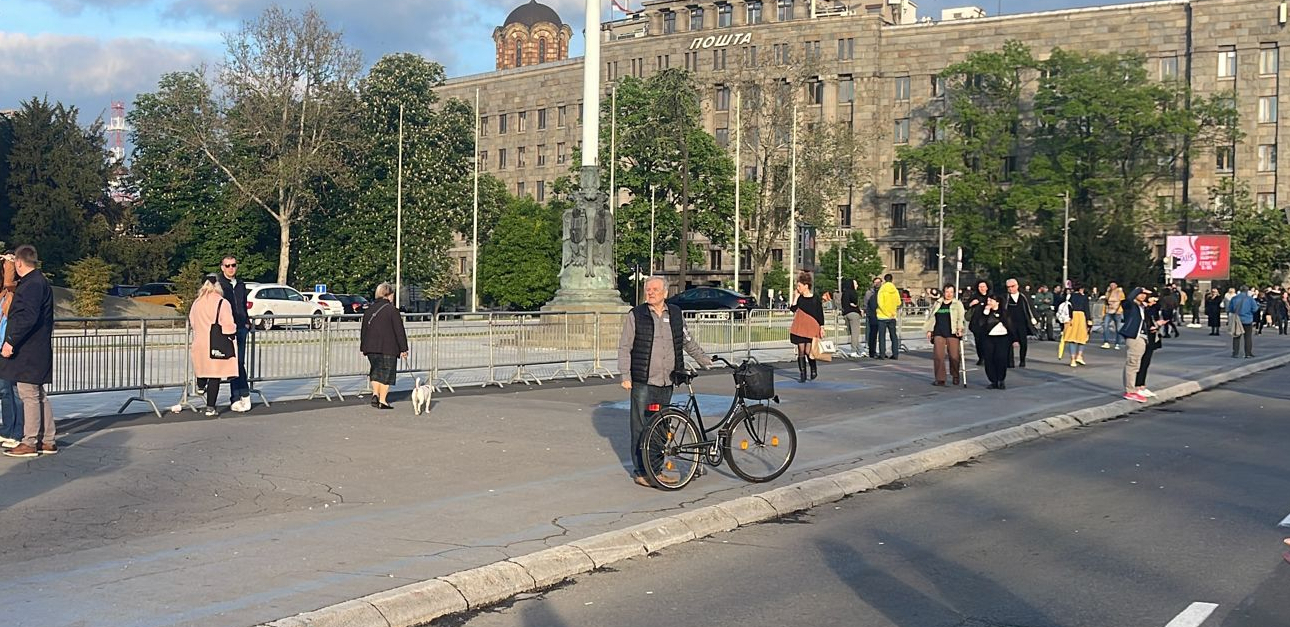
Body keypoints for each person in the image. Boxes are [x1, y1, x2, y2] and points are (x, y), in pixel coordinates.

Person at [618, 276, 711, 487]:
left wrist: (705, 360)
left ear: (665, 293)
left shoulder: (675, 314)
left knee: (661, 428)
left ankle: (656, 470)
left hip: (666, 381)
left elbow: (686, 341)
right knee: (641, 427)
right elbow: (625, 347)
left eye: (655, 289)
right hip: (643, 380)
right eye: (647, 289)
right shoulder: (637, 315)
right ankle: (642, 472)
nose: (650, 292)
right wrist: (625, 376)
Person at [0, 245, 57, 458]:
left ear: (19, 262)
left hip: (29, 349)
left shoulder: (32, 285)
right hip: (37, 347)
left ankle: (30, 441)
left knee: (29, 395)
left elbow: (27, 316)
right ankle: (47, 440)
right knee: (38, 395)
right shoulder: (37, 281)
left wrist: (11, 341)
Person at [189, 275, 240, 417]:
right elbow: (228, 325)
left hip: (199, 342)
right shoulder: (222, 303)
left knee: (202, 368)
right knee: (215, 376)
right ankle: (210, 407)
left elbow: (192, 322)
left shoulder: (197, 303)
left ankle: (200, 384)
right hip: (216, 343)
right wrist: (233, 332)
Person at [360, 282, 409, 409]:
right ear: (388, 295)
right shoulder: (392, 311)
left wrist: (363, 346)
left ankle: (375, 394)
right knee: (387, 373)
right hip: (388, 347)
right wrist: (403, 348)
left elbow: (364, 329)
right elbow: (399, 331)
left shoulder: (369, 310)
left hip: (370, 347)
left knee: (375, 371)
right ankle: (382, 400)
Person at [217, 255, 254, 413]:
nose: (231, 268)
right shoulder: (219, 285)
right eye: (227, 266)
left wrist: (246, 321)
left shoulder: (240, 285)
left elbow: (243, 305)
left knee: (239, 362)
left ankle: (240, 396)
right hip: (226, 328)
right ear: (222, 267)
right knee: (232, 363)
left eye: (233, 265)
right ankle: (239, 395)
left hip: (240, 327)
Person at [1119, 287, 1156, 403]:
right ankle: (1130, 391)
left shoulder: (1142, 307)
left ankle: (1134, 389)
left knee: (1137, 364)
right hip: (1134, 337)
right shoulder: (1130, 306)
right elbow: (1128, 299)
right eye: (1141, 294)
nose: (1143, 296)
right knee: (1132, 363)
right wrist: (1138, 289)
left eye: (1144, 295)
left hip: (1142, 337)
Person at [923, 284, 965, 386]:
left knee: (954, 356)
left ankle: (955, 375)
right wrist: (929, 330)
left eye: (951, 292)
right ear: (943, 292)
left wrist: (960, 329)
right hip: (939, 332)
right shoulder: (938, 303)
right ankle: (940, 378)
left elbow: (960, 317)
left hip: (952, 332)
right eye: (947, 292)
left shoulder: (957, 304)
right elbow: (932, 317)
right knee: (938, 356)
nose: (949, 294)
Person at [970, 293, 1013, 389]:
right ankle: (993, 380)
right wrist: (986, 312)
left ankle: (1001, 379)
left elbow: (1010, 325)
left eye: (991, 301)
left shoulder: (1004, 312)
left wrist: (1014, 339)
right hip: (988, 338)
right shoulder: (984, 312)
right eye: (988, 300)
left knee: (1001, 359)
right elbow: (980, 324)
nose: (988, 302)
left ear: (997, 302)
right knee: (989, 359)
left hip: (1002, 338)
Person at [789, 271, 826, 382]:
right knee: (801, 350)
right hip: (800, 326)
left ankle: (813, 369)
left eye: (799, 286)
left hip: (811, 327)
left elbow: (820, 313)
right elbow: (793, 309)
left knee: (808, 351)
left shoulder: (815, 298)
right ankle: (802, 373)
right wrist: (795, 297)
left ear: (806, 286)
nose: (798, 288)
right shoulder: (800, 298)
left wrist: (822, 327)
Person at [0, 254, 20, 449]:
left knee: (12, 391)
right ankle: (7, 430)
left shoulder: (12, 294)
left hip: (9, 348)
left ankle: (17, 431)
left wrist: (10, 264)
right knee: (5, 391)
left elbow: (9, 282)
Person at [1134, 292, 1164, 399]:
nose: (1154, 302)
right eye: (1152, 299)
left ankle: (1142, 385)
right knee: (1140, 363)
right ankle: (1137, 386)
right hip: (1143, 337)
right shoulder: (1142, 308)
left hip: (1151, 338)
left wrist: (1157, 325)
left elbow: (1153, 320)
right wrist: (1155, 325)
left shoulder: (1153, 309)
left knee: (1146, 362)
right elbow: (1143, 322)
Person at [1004, 278, 1038, 368]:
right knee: (1009, 342)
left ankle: (1022, 360)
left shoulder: (1023, 296)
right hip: (1010, 322)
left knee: (1023, 342)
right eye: (1008, 287)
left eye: (1012, 286)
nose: (1010, 289)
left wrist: (1034, 318)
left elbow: (1030, 308)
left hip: (1022, 322)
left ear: (1017, 286)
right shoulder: (1006, 297)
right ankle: (1010, 362)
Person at [1061, 281, 1093, 367]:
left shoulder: (1070, 296)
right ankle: (1079, 355)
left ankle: (1072, 360)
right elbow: (1087, 309)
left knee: (1072, 338)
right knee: (1082, 337)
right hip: (1081, 317)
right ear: (1081, 289)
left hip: (1071, 318)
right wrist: (1089, 320)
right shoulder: (1084, 297)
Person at [1227, 285, 1258, 359]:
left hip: (1237, 319)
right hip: (1247, 320)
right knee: (1248, 337)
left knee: (1236, 336)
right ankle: (1248, 353)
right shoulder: (1250, 299)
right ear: (1247, 291)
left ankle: (1235, 353)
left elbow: (1230, 309)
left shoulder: (1234, 298)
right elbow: (1255, 309)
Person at [875, 274, 901, 359]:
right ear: (892, 279)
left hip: (882, 316)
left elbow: (880, 302)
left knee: (882, 336)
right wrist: (891, 312)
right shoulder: (895, 290)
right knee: (893, 335)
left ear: (885, 280)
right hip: (892, 316)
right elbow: (898, 303)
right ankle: (895, 353)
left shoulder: (882, 289)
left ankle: (882, 354)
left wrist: (885, 312)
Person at [965, 279, 991, 366]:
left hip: (988, 323)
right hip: (976, 323)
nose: (982, 288)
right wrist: (971, 304)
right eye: (980, 287)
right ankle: (981, 357)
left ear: (987, 287)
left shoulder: (991, 297)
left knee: (987, 342)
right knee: (979, 342)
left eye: (983, 286)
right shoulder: (974, 296)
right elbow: (966, 305)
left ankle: (988, 357)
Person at [840, 278, 863, 359]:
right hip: (854, 314)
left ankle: (860, 349)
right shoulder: (852, 292)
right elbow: (855, 303)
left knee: (852, 333)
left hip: (846, 314)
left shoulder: (844, 293)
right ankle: (853, 351)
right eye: (855, 284)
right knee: (855, 333)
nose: (857, 286)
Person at [862, 277, 882, 358]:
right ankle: (872, 350)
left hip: (881, 315)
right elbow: (866, 303)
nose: (877, 284)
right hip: (872, 315)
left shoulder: (882, 291)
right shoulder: (869, 292)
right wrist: (867, 312)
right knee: (872, 333)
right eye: (876, 282)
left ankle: (879, 351)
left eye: (879, 282)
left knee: (880, 334)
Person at [1101, 281, 1125, 349]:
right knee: (1105, 326)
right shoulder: (1108, 291)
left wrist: (1118, 309)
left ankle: (1117, 343)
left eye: (1113, 285)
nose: (1112, 286)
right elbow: (1106, 302)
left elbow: (1122, 301)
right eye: (1111, 285)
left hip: (1117, 311)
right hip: (1108, 311)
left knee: (1118, 328)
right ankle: (1106, 342)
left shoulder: (1119, 291)